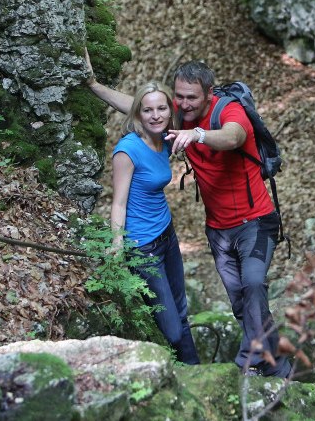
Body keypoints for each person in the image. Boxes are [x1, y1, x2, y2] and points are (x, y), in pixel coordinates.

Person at [84, 53, 291, 378]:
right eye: (178, 97)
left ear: (209, 94)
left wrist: (198, 134)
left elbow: (234, 136)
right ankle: (272, 361)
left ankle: (259, 365)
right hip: (219, 230)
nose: (182, 104)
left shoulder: (228, 110)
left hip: (256, 222)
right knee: (240, 302)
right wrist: (94, 86)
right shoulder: (178, 115)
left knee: (253, 284)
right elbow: (140, 108)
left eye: (190, 98)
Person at [86, 73, 200, 365]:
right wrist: (116, 242)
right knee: (173, 331)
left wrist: (96, 84)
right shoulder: (128, 150)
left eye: (161, 108)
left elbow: (141, 106)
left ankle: (197, 375)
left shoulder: (164, 136)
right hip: (143, 247)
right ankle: (171, 368)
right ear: (138, 114)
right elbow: (119, 202)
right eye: (147, 110)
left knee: (182, 312)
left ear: (169, 111)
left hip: (167, 233)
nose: (155, 115)